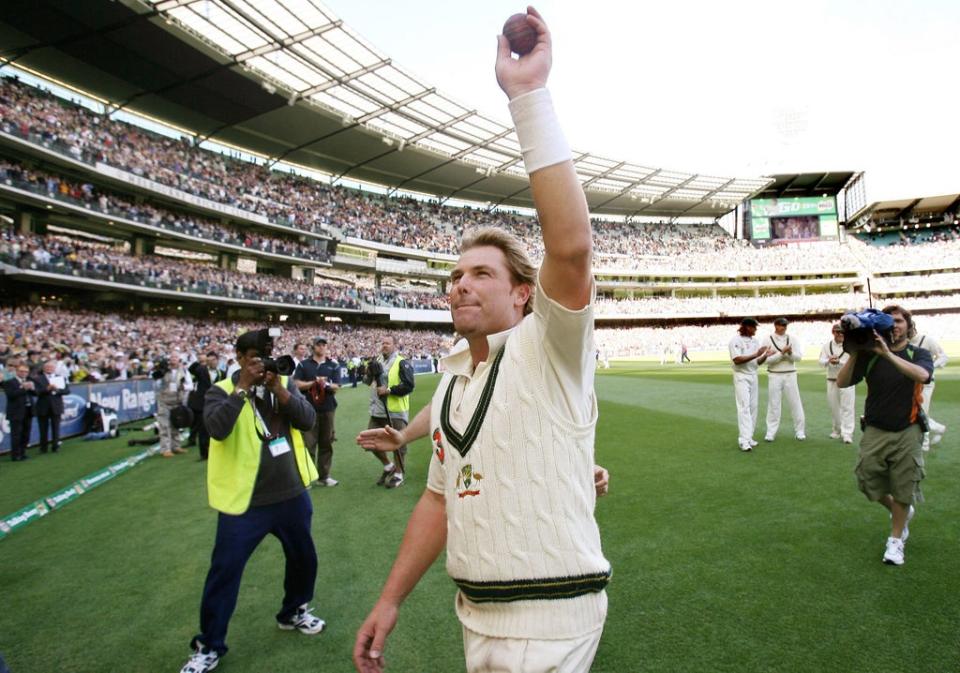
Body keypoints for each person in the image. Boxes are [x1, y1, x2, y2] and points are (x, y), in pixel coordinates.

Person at [353, 10, 611, 671]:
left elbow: (573, 247)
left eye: (482, 274)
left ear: (523, 293)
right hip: (478, 612)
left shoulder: (550, 345)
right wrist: (390, 598)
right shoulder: (455, 381)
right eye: (456, 275)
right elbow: (440, 498)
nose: (461, 285)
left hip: (550, 617)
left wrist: (527, 96)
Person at [179, 329, 323, 673]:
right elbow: (216, 428)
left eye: (267, 355)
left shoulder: (281, 384)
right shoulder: (223, 390)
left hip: (290, 493)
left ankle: (294, 611)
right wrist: (243, 388)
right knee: (224, 572)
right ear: (241, 357)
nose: (263, 363)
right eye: (256, 357)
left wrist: (279, 391)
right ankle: (209, 645)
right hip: (245, 502)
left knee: (304, 558)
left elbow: (308, 420)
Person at [837, 305, 933, 566]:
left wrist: (888, 354)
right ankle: (900, 513)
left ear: (908, 325)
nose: (895, 326)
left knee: (904, 487)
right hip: (875, 429)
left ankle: (895, 541)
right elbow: (842, 382)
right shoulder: (869, 356)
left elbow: (923, 375)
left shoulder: (918, 353)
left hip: (908, 429)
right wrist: (856, 350)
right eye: (890, 322)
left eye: (900, 321)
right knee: (866, 480)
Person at [363, 335, 415, 489]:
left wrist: (389, 390)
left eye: (388, 343)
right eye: (383, 343)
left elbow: (409, 385)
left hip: (395, 411)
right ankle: (388, 466)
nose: (384, 345)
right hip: (377, 410)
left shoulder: (401, 362)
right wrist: (367, 372)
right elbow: (366, 382)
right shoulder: (377, 361)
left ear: (394, 346)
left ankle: (399, 473)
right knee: (369, 442)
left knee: (398, 444)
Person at [293, 336, 341, 486]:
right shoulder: (303, 364)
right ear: (313, 347)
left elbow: (337, 386)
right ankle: (306, 477)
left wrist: (325, 384)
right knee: (308, 444)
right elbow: (296, 384)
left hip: (328, 408)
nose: (321, 347)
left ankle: (324, 476)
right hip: (308, 408)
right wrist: (313, 383)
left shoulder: (333, 365)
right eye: (319, 345)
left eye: (324, 345)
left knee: (326, 442)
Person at [729, 318, 770, 451]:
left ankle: (749, 437)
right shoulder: (735, 341)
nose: (755, 329)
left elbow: (757, 362)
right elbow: (737, 360)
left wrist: (765, 355)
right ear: (746, 327)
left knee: (753, 407)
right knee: (744, 407)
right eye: (753, 327)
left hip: (753, 375)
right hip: (741, 376)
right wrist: (756, 354)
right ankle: (743, 440)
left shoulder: (755, 341)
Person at [763, 317, 806, 442]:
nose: (784, 327)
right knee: (774, 404)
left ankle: (800, 431)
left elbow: (798, 358)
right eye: (781, 325)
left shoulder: (793, 339)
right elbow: (765, 360)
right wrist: (781, 353)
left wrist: (790, 353)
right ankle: (771, 432)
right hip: (774, 374)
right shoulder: (767, 339)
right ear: (775, 325)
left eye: (785, 325)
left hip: (790, 374)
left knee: (795, 403)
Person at [908, 326, 948, 451]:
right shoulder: (905, 342)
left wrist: (930, 367)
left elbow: (943, 356)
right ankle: (938, 428)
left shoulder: (927, 340)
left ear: (912, 328)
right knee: (912, 411)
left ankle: (924, 444)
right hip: (911, 381)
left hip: (926, 382)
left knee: (922, 412)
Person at [818, 324, 854, 443]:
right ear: (833, 332)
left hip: (847, 380)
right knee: (834, 407)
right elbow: (821, 361)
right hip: (832, 380)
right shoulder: (826, 346)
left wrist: (839, 362)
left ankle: (847, 433)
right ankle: (837, 430)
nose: (840, 334)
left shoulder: (851, 345)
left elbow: (853, 363)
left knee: (847, 407)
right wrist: (829, 361)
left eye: (842, 332)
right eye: (838, 332)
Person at [188, 352, 223, 461]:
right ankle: (204, 454)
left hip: (217, 404)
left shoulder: (221, 373)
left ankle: (218, 451)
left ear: (217, 360)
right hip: (202, 404)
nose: (211, 362)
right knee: (203, 431)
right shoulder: (202, 370)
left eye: (213, 360)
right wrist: (200, 361)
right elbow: (191, 369)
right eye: (209, 360)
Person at [157, 353, 191, 458]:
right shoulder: (163, 371)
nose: (173, 360)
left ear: (179, 360)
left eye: (175, 358)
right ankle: (165, 449)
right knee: (164, 425)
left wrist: (183, 386)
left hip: (177, 401)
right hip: (164, 401)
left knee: (176, 424)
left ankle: (176, 446)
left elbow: (190, 385)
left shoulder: (184, 371)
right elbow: (156, 384)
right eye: (171, 358)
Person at [31, 360, 69, 453]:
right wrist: (47, 389)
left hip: (56, 406)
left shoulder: (60, 378)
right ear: (43, 368)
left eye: (51, 367)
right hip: (43, 406)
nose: (49, 369)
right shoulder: (37, 378)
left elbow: (67, 390)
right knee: (43, 429)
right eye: (47, 367)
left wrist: (57, 390)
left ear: (54, 368)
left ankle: (55, 446)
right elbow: (36, 392)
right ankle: (43, 448)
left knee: (56, 428)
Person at [2, 363, 35, 461]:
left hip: (28, 410)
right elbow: (11, 395)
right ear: (17, 371)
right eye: (22, 371)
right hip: (16, 412)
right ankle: (16, 455)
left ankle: (23, 452)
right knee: (16, 434)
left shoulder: (29, 381)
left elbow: (36, 393)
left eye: (26, 371)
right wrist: (23, 388)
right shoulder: (10, 382)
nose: (24, 373)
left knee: (26, 433)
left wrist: (32, 388)